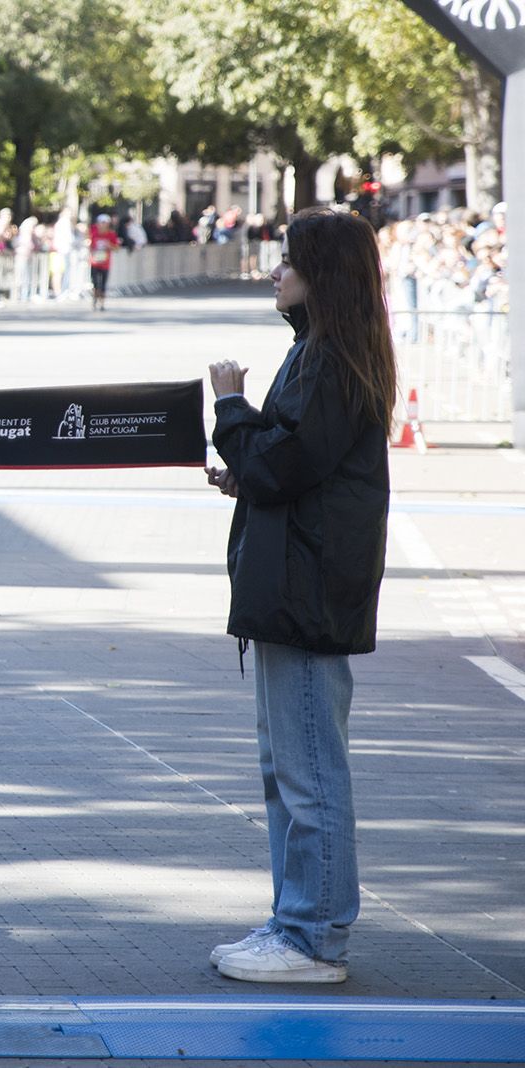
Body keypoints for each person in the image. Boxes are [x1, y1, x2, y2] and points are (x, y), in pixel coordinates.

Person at [204, 206, 395, 984]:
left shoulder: (328, 360)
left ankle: (315, 935)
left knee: (308, 769)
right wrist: (245, 468)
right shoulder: (324, 354)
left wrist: (229, 407)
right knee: (288, 766)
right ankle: (295, 918)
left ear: (322, 278)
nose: (275, 273)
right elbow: (290, 467)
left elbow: (285, 465)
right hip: (297, 585)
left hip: (309, 593)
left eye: (288, 263)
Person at [87, 213, 121, 311]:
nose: (102, 225)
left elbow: (117, 248)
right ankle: (95, 299)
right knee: (95, 283)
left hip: (105, 263)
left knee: (103, 284)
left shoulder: (111, 234)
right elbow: (89, 242)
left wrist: (109, 245)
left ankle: (102, 303)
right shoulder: (93, 232)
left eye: (104, 223)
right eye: (101, 223)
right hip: (94, 262)